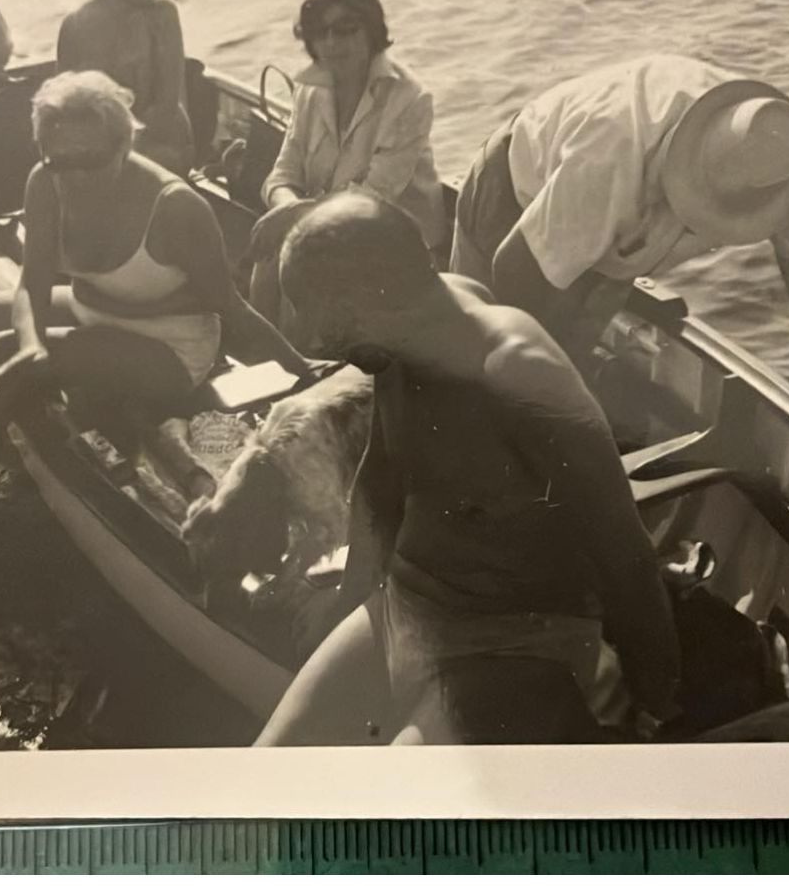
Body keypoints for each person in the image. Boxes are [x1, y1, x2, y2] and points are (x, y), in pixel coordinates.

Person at [0, 71, 311, 578]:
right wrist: (33, 344)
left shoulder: (175, 207)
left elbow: (230, 308)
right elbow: (32, 286)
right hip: (94, 311)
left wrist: (306, 374)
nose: (74, 176)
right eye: (60, 161)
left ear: (124, 145)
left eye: (91, 161)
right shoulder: (46, 182)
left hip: (170, 347)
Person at [254, 192, 681, 746]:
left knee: (399, 816)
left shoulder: (519, 372)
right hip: (404, 606)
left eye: (318, 312)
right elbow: (380, 480)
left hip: (515, 642)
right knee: (264, 768)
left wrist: (657, 701)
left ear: (379, 295)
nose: (310, 339)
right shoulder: (397, 335)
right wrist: (348, 606)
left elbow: (625, 553)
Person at [449, 53, 789, 505]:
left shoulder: (773, 153)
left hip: (613, 232)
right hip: (514, 194)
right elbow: (514, 281)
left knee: (562, 396)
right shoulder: (608, 155)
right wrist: (532, 406)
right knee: (477, 379)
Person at [246, 0, 446, 321]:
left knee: (305, 261)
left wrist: (295, 217)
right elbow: (283, 175)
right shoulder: (311, 91)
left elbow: (373, 199)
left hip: (399, 241)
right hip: (327, 226)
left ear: (371, 30)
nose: (332, 42)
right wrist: (288, 211)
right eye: (321, 33)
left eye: (346, 29)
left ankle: (302, 355)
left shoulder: (409, 98)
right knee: (271, 254)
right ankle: (274, 358)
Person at [57, 0, 194, 176]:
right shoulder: (74, 28)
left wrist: (108, 156)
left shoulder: (162, 17)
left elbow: (166, 110)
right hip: (101, 157)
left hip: (164, 149)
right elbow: (65, 115)